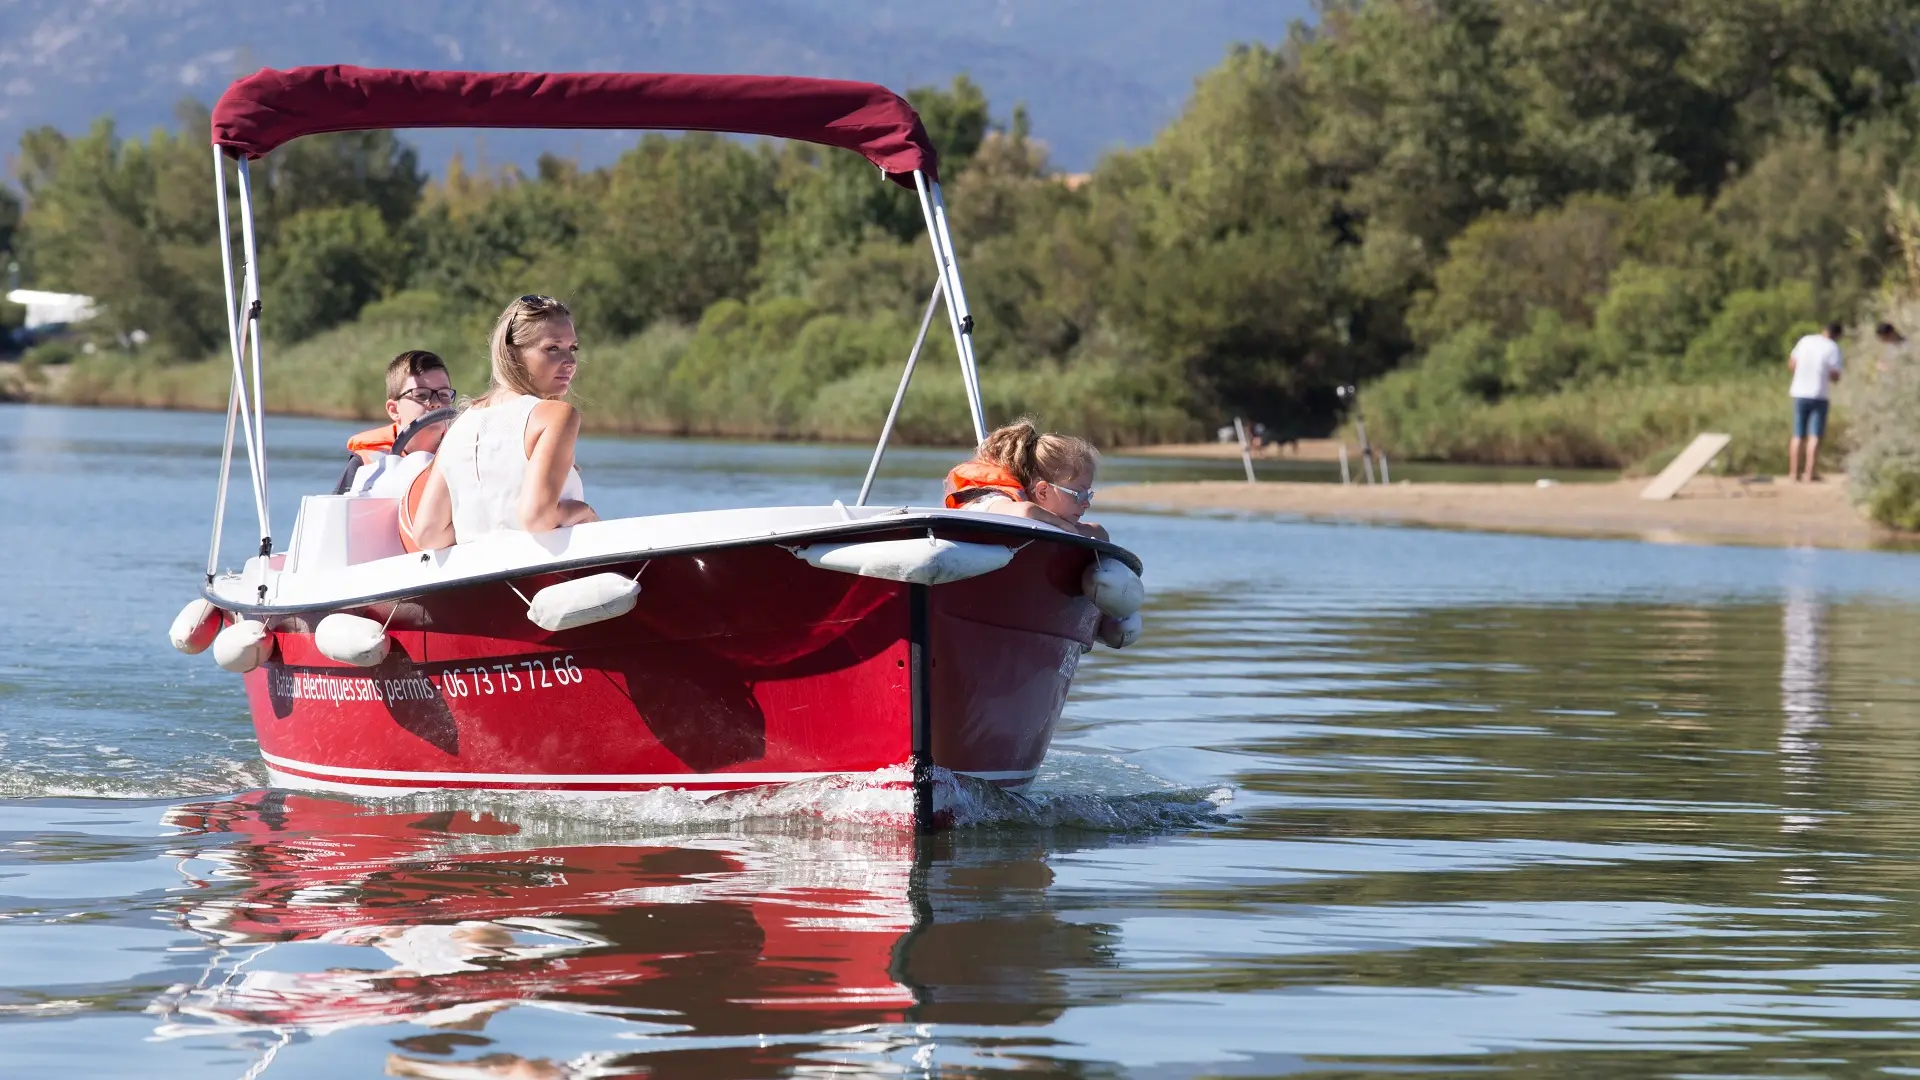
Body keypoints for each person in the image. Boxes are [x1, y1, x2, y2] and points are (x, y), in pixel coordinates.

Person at [410, 295, 598, 547]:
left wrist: (484, 526)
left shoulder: (460, 426)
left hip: (482, 583)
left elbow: (427, 534)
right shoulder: (555, 415)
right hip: (547, 578)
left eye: (572, 348)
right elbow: (538, 518)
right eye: (552, 348)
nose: (571, 362)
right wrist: (585, 512)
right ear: (512, 352)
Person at [944, 418, 1108, 540]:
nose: (1086, 503)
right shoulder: (991, 501)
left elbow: (1100, 533)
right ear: (1043, 491)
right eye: (1079, 495)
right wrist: (1064, 526)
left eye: (1088, 495)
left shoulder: (1048, 518)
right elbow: (1026, 512)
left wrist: (1071, 529)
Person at [342, 350, 456, 499]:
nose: (435, 403)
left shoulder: (466, 453)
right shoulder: (364, 463)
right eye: (421, 395)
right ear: (394, 410)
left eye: (444, 395)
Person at [1787, 321, 1844, 483]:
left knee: (1798, 434)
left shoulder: (1805, 340)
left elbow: (1791, 364)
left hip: (1799, 392)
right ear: (1837, 335)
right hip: (1819, 394)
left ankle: (1793, 473)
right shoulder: (1833, 348)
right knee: (1815, 435)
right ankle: (1809, 472)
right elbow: (1835, 375)